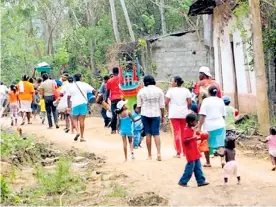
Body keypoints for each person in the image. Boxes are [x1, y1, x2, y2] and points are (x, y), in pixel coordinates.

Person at [137, 75, 165, 161]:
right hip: (156, 113)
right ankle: (159, 153)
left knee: (148, 134)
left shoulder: (141, 91)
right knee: (156, 134)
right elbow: (162, 106)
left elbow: (139, 106)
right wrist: (163, 116)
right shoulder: (159, 91)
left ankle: (149, 155)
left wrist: (140, 114)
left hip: (145, 113)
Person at [178, 113, 209, 187]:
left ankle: (201, 181)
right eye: (195, 121)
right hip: (190, 152)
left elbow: (194, 139)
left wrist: (201, 137)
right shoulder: (186, 130)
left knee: (198, 167)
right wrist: (193, 138)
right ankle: (183, 181)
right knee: (190, 168)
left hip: (195, 151)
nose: (196, 122)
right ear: (191, 122)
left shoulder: (191, 130)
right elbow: (185, 140)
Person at [198, 86, 226, 167]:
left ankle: (208, 162)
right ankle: (222, 160)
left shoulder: (205, 101)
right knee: (221, 144)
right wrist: (223, 123)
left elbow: (203, 115)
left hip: (208, 126)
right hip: (220, 124)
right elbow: (223, 115)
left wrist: (199, 126)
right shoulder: (221, 100)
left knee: (206, 144)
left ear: (209, 93)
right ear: (216, 92)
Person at [165, 76, 192, 158]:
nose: (171, 83)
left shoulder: (170, 91)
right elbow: (189, 103)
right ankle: (185, 151)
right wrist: (187, 109)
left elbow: (166, 102)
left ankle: (178, 152)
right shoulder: (186, 90)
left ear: (176, 82)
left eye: (172, 81)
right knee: (184, 132)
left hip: (174, 114)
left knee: (176, 132)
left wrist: (168, 111)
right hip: (184, 114)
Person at [67, 73, 95, 142]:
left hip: (75, 104)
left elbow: (68, 97)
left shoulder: (72, 86)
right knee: (82, 120)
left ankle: (77, 131)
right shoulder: (85, 84)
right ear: (81, 78)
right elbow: (94, 91)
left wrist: (68, 107)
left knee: (74, 119)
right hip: (83, 104)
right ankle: (82, 137)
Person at [106, 67, 121, 134]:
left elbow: (108, 91)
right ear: (118, 71)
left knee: (114, 114)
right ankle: (121, 129)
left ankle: (113, 130)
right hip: (121, 98)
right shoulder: (121, 79)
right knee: (122, 113)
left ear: (113, 72)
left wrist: (106, 99)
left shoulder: (109, 81)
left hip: (113, 99)